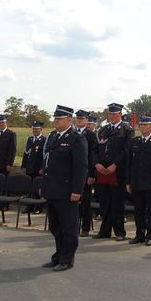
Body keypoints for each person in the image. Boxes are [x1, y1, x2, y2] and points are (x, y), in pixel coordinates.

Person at [40, 105, 88, 272]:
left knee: (69, 228)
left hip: (67, 191)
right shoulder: (53, 137)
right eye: (55, 119)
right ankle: (59, 255)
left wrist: (77, 190)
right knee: (55, 226)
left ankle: (67, 259)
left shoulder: (76, 139)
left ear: (69, 120)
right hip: (52, 189)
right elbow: (47, 164)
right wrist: (43, 186)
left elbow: (80, 167)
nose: (56, 121)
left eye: (59, 119)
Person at [93, 103, 132, 241]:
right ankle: (104, 231)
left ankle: (120, 232)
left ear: (120, 115)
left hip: (118, 172)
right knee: (104, 202)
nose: (112, 116)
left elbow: (127, 150)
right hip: (102, 171)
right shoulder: (103, 130)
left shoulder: (126, 130)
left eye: (115, 114)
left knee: (117, 203)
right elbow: (95, 149)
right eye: (110, 114)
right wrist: (96, 163)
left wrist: (115, 164)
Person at [126, 116, 151, 246]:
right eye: (141, 125)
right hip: (136, 182)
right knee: (138, 211)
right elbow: (130, 164)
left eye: (145, 125)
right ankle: (139, 234)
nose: (142, 127)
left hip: (150, 184)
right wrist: (129, 182)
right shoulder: (134, 141)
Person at [74, 110, 98, 237]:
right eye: (78, 119)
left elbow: (93, 156)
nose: (79, 121)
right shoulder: (72, 133)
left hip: (86, 173)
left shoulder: (91, 135)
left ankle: (85, 228)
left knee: (85, 203)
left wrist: (92, 175)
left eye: (82, 119)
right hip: (73, 174)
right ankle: (73, 226)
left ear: (86, 120)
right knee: (73, 202)